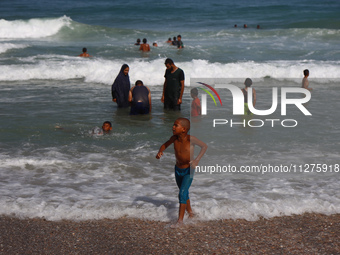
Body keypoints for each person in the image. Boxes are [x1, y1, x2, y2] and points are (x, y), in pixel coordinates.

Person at [156, 118, 207, 226]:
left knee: (182, 193)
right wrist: (160, 151)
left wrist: (196, 160)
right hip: (178, 169)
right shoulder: (174, 138)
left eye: (176, 125)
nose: (173, 127)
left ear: (183, 129)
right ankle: (191, 213)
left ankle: (180, 221)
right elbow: (164, 145)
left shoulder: (191, 139)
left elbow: (204, 146)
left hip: (189, 170)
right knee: (184, 192)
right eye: (173, 125)